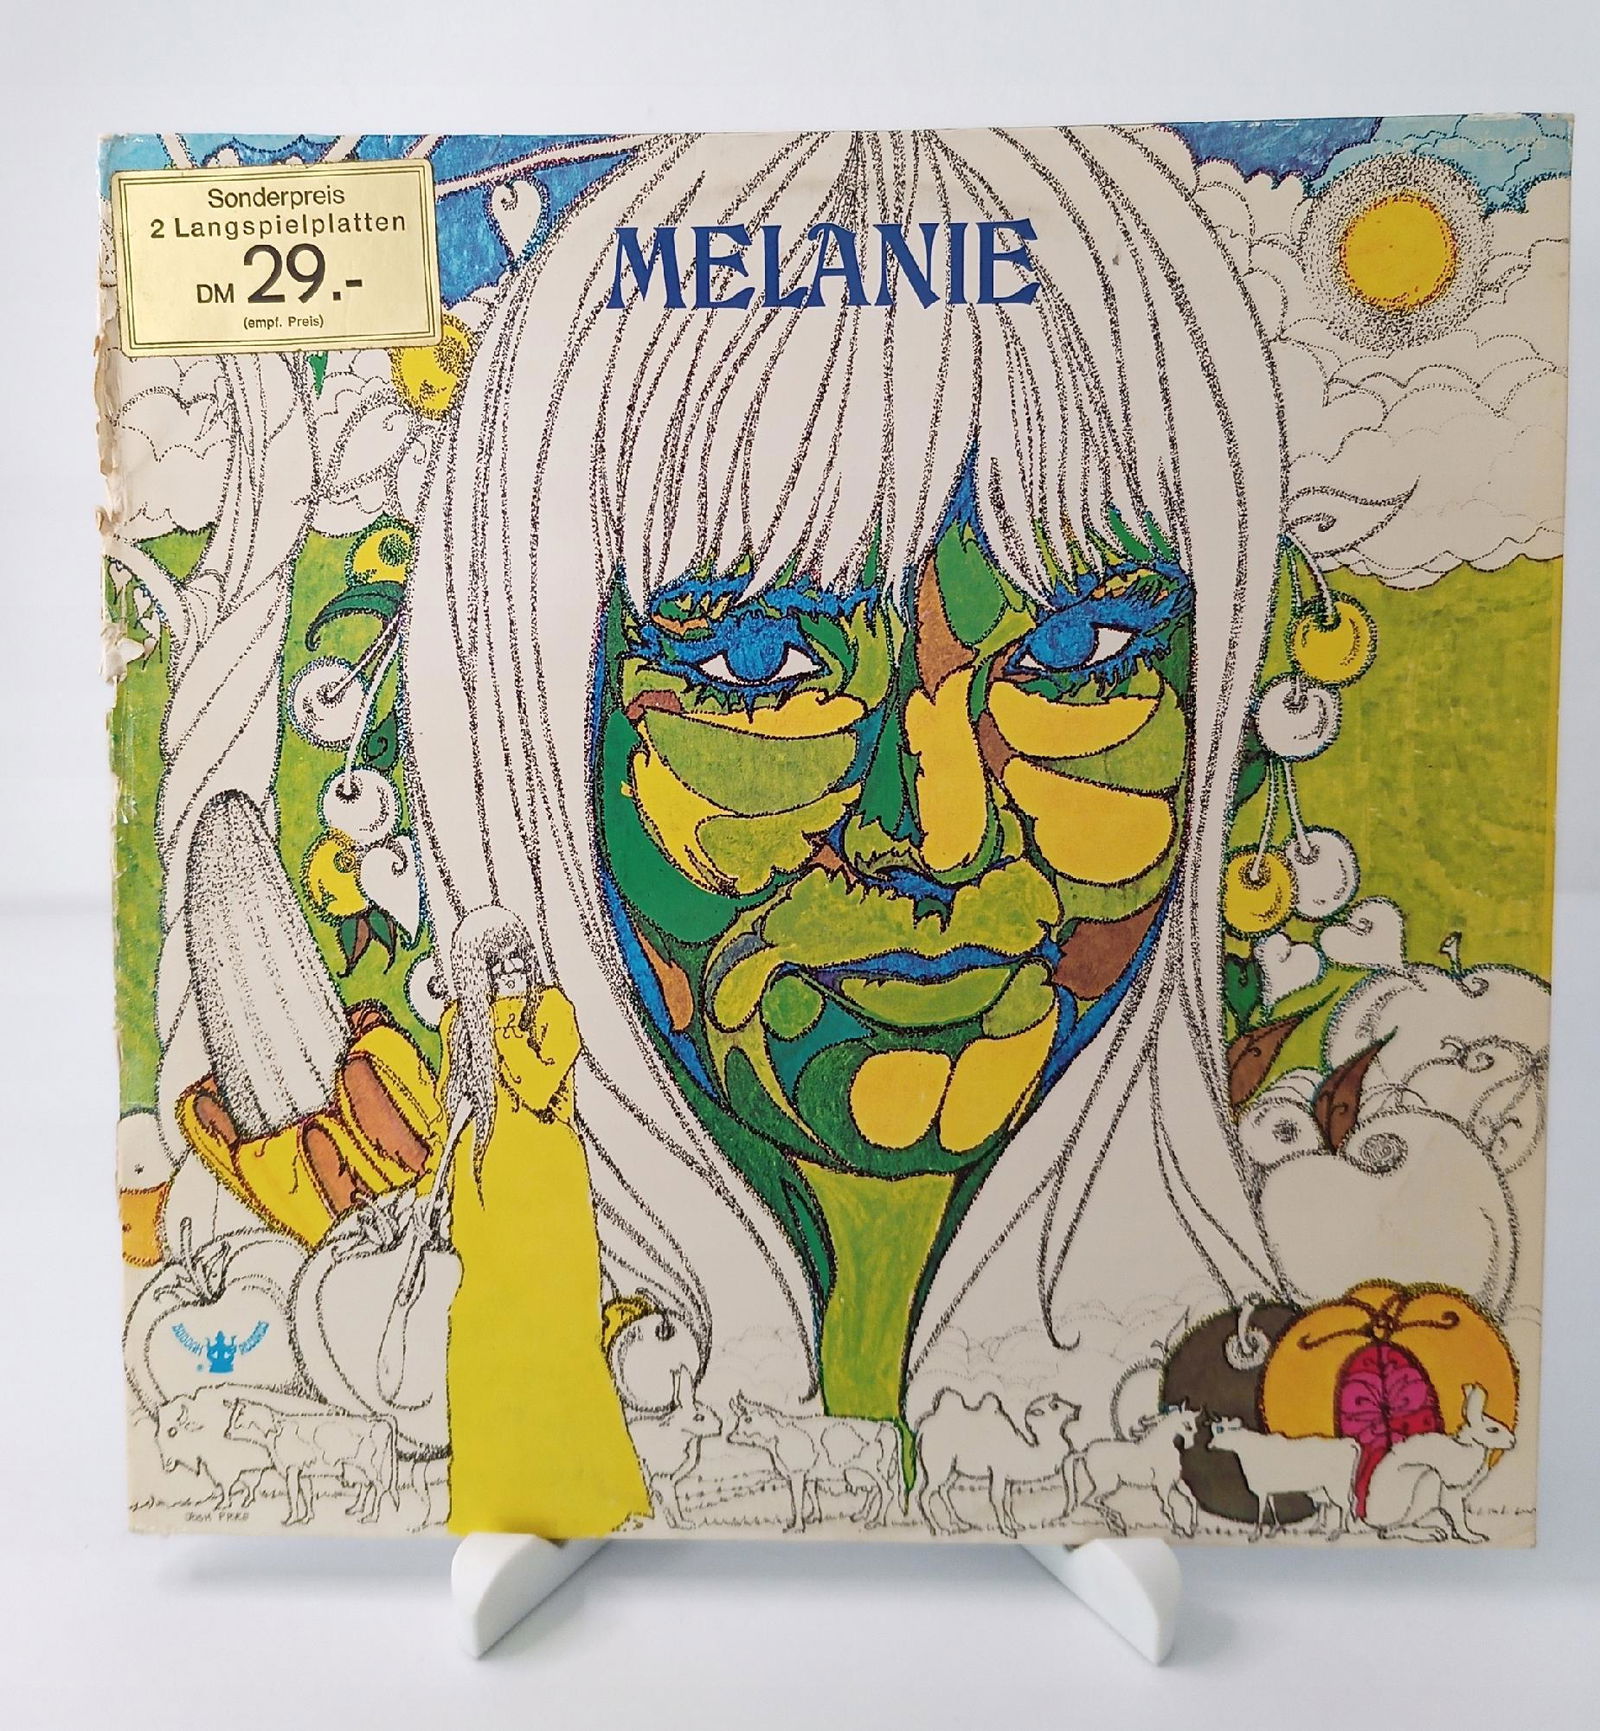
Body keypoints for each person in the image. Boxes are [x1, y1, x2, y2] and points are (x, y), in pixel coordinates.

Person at [404, 128, 1286, 1432]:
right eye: (758, 666)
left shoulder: (1281, 1381)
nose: (934, 832)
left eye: (1079, 653)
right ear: (536, 712)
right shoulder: (404, 1348)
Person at [437, 905, 650, 1536]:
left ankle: (590, 1493)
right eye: (494, 961)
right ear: (472, 971)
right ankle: (492, 1493)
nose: (511, 968)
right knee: (483, 1331)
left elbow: (535, 1085)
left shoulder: (550, 1012)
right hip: (483, 1186)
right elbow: (450, 1107)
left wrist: (492, 1024)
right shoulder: (459, 1024)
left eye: (517, 954)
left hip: (547, 1182)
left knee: (560, 1328)